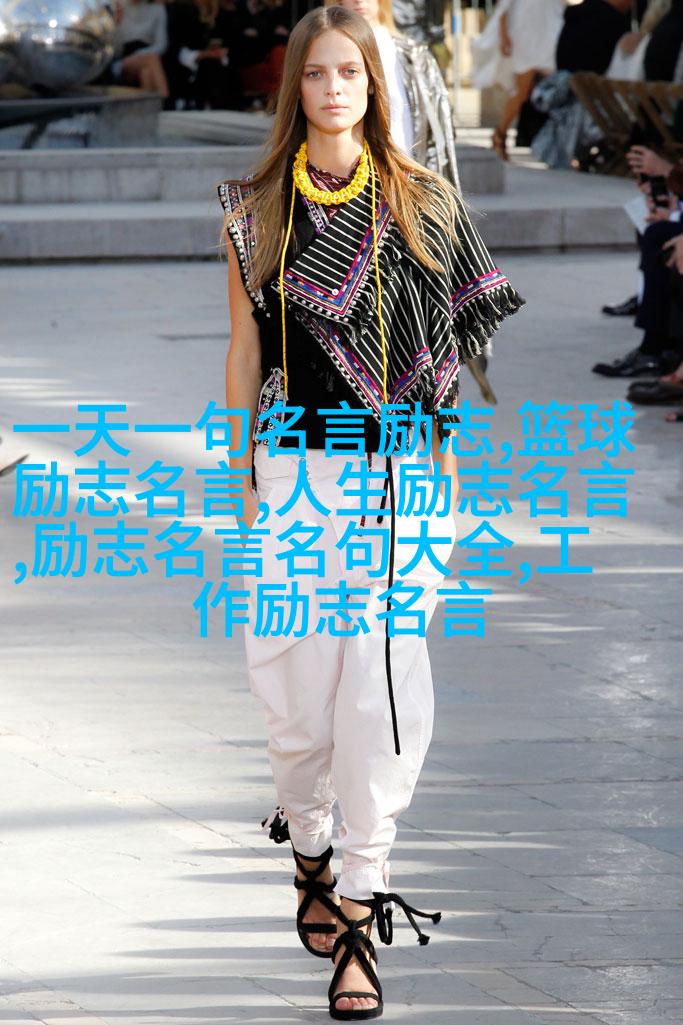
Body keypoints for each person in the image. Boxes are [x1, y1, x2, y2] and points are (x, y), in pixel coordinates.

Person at [218, 5, 523, 1018]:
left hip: (403, 477)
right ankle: (306, 838)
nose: (333, 89)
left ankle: (358, 896)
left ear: (373, 85)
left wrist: (443, 464)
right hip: (295, 469)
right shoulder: (255, 211)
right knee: (293, 692)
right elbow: (245, 349)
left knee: (381, 684)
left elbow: (457, 348)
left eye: (349, 72)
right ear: (294, 87)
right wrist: (240, 467)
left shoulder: (424, 199)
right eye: (316, 73)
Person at [470, 0, 565, 161]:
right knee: (522, 93)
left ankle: (557, 142)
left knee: (556, 88)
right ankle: (500, 134)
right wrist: (504, 36)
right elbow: (503, 7)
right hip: (525, 36)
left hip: (549, 32)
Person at [110, 0, 169, 98]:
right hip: (123, 59)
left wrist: (140, 55)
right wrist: (116, 24)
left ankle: (150, 105)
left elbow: (162, 45)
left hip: (147, 56)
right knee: (152, 59)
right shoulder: (119, 8)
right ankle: (164, 97)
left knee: (146, 72)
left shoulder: (158, 9)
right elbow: (115, 49)